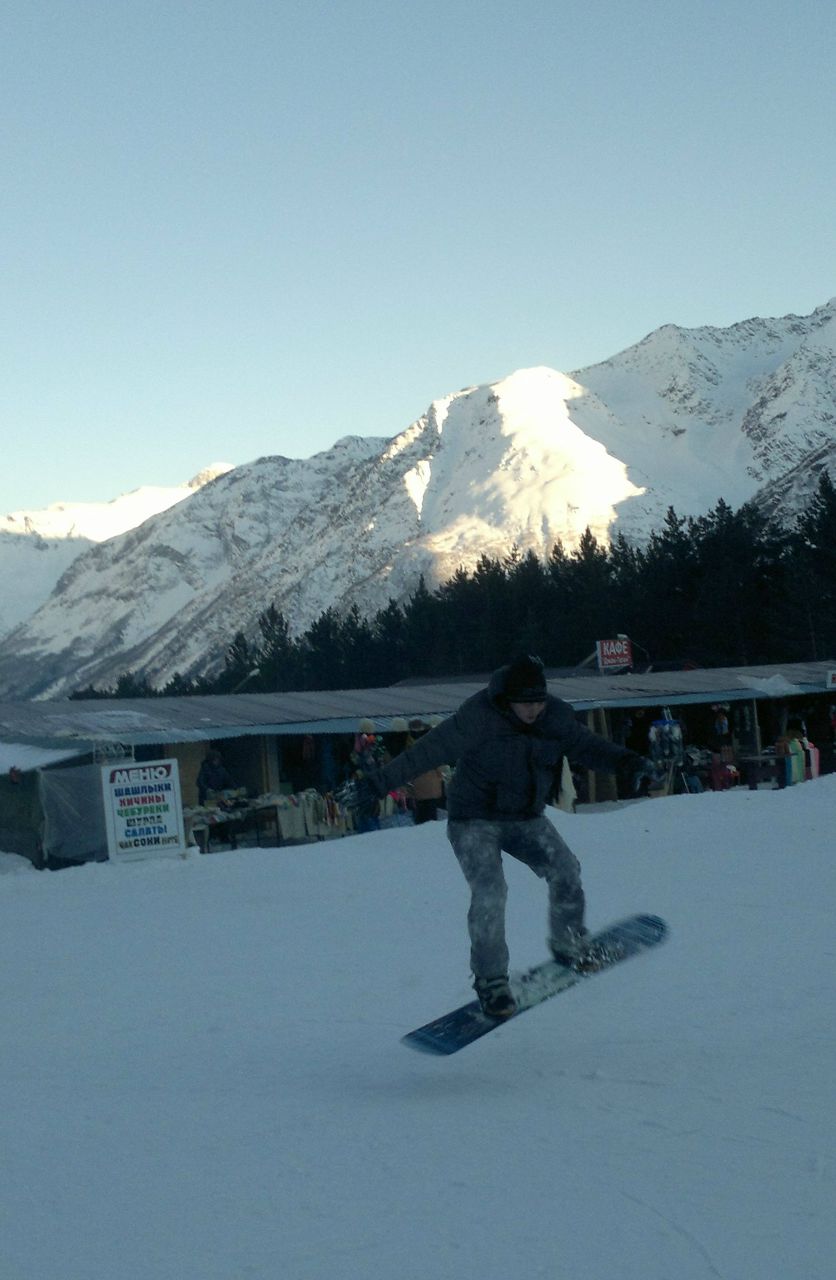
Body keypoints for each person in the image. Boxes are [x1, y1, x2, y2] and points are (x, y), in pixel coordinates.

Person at [350, 655, 657, 1019]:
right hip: (473, 819)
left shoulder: (555, 718)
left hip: (525, 818)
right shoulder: (478, 716)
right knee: (490, 891)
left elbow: (588, 746)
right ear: (507, 699)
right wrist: (376, 784)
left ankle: (569, 943)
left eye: (538, 702)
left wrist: (630, 763)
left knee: (565, 869)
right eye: (525, 704)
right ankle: (491, 979)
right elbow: (428, 751)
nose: (533, 711)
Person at [405, 718, 445, 824]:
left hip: (418, 788)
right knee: (431, 817)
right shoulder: (431, 743)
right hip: (432, 787)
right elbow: (439, 767)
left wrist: (408, 792)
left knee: (421, 818)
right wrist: (441, 780)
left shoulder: (409, 745)